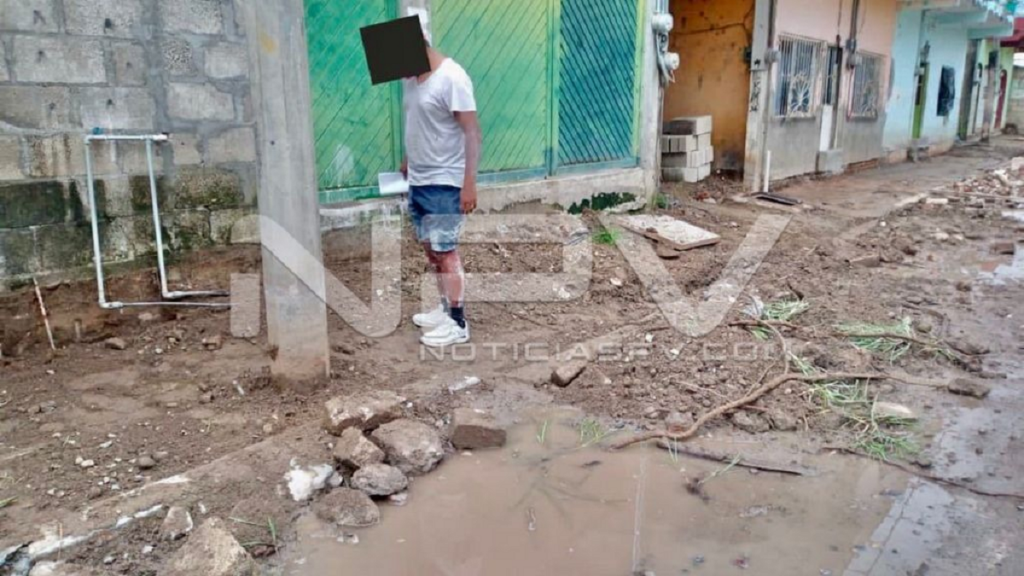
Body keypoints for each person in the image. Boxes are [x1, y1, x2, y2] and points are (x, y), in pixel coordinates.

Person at [402, 32, 482, 348]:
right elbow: (418, 121)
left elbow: (472, 133)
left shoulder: (452, 78)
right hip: (418, 180)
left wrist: (469, 184)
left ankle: (458, 323)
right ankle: (445, 307)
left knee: (446, 252)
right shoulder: (412, 78)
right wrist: (408, 158)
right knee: (431, 250)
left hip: (445, 182)